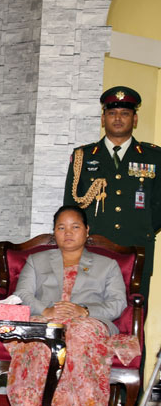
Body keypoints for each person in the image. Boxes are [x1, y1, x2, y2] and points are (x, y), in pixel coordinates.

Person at [5, 205, 139, 406]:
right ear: (54, 232)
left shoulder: (108, 265)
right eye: (61, 227)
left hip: (88, 321)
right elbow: (23, 294)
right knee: (43, 332)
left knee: (77, 332)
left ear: (87, 230)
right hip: (45, 316)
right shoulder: (36, 261)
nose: (68, 233)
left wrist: (84, 310)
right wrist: (45, 310)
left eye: (75, 227)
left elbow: (118, 303)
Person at [64, 86, 161, 302]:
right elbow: (70, 206)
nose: (118, 118)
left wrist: (140, 227)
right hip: (92, 249)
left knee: (133, 310)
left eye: (125, 114)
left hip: (136, 248)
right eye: (112, 113)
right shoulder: (83, 156)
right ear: (103, 119)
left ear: (134, 120)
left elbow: (158, 207)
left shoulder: (154, 157)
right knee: (86, 308)